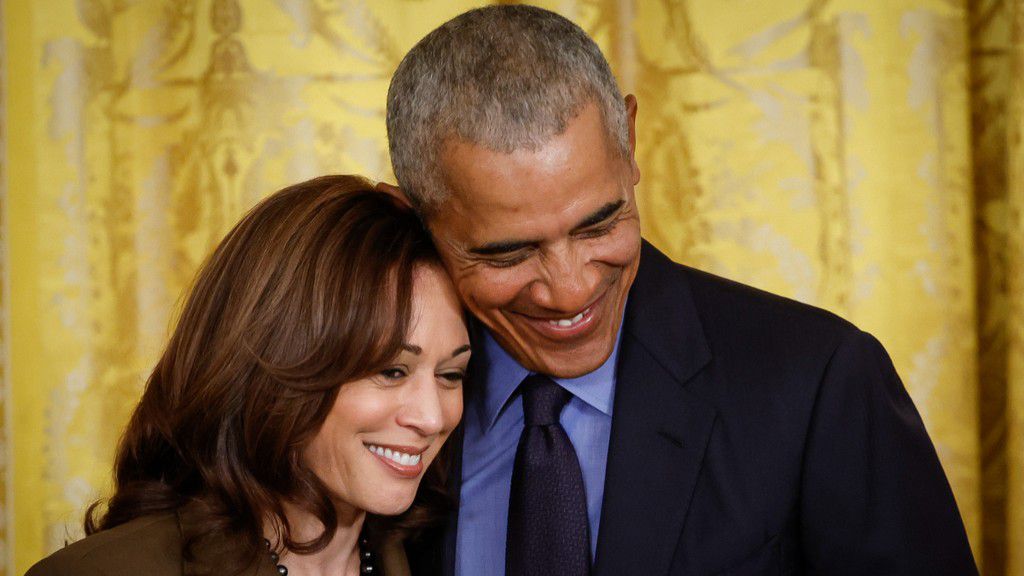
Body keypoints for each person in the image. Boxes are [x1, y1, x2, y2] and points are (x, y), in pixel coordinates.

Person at [383, 5, 978, 576]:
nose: (569, 291)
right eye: (509, 252)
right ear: (420, 217)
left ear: (631, 142)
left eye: (599, 224)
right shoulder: (369, 398)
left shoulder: (820, 381)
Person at [27, 175, 471, 576]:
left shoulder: (444, 556)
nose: (432, 418)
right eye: (392, 371)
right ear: (279, 365)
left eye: (451, 374)